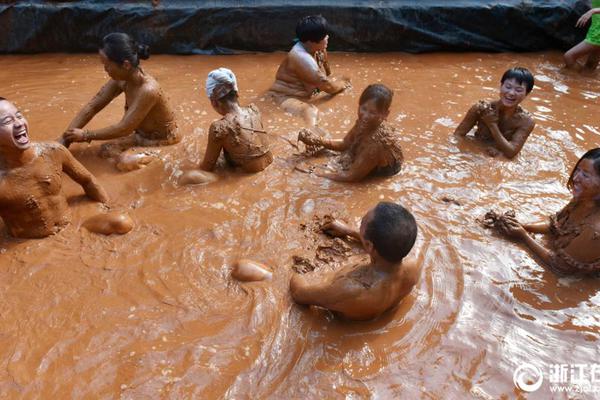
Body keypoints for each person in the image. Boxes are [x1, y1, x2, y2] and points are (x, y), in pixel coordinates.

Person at [59, 33, 180, 162]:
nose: (105, 69)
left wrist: (86, 135)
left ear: (126, 65)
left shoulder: (148, 90)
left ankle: (162, 162)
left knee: (125, 162)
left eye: (107, 65)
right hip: (140, 137)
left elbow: (124, 128)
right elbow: (93, 106)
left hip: (163, 141)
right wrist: (64, 139)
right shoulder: (121, 80)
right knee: (106, 151)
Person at [290, 202, 420, 321]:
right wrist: (349, 231)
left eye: (362, 222)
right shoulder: (414, 265)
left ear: (369, 246)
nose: (360, 225)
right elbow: (386, 246)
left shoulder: (351, 289)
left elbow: (299, 293)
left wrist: (292, 267)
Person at [0, 98, 110, 238]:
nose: (19, 123)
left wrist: (106, 207)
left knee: (122, 222)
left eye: (19, 116)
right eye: (8, 122)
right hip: (29, 244)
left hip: (72, 227)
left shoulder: (53, 151)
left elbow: (88, 181)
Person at [486, 149, 600, 276]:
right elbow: (556, 227)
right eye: (578, 170)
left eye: (585, 175)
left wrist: (523, 237)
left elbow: (560, 267)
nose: (575, 177)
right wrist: (522, 226)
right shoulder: (584, 198)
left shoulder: (595, 229)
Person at [178, 68, 273, 185]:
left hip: (244, 177)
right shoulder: (254, 110)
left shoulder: (219, 127)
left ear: (214, 102)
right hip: (268, 165)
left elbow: (206, 168)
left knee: (186, 178)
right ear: (237, 93)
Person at [296, 84, 403, 182]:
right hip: (365, 160)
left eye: (372, 112)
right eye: (363, 108)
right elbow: (345, 143)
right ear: (359, 105)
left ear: (385, 114)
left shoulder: (375, 144)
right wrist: (318, 141)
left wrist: (316, 174)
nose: (365, 116)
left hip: (380, 173)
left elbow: (350, 176)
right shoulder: (365, 123)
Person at [267, 15, 349, 127]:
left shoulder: (319, 48)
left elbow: (328, 73)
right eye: (324, 36)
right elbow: (329, 87)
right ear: (312, 41)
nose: (328, 37)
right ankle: (313, 137)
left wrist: (338, 79)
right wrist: (343, 85)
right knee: (310, 111)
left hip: (307, 92)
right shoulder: (302, 58)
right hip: (283, 97)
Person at [453, 67, 535, 159]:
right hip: (476, 153)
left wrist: (492, 125)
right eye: (508, 87)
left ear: (527, 93)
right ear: (501, 86)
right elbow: (457, 136)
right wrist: (473, 152)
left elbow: (511, 153)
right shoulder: (481, 109)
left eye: (518, 90)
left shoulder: (526, 121)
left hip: (499, 157)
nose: (511, 93)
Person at [564, 1, 600, 71]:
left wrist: (593, 11)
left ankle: (576, 79)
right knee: (591, 63)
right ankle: (587, 80)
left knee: (568, 56)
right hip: (596, 27)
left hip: (598, 31)